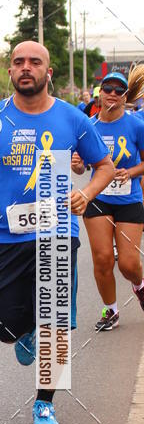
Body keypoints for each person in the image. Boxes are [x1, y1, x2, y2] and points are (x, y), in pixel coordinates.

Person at [0, 41, 114, 424]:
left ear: (48, 72)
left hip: (57, 231)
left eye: (35, 62)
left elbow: (104, 166)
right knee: (4, 326)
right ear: (10, 71)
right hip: (5, 233)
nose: (26, 67)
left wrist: (86, 194)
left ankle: (45, 402)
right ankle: (23, 331)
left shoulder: (72, 118)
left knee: (55, 323)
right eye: (18, 62)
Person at [73, 68, 144, 330]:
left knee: (127, 264)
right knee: (102, 259)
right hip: (99, 197)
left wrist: (131, 172)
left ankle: (139, 285)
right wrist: (77, 166)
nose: (112, 93)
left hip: (129, 199)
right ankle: (111, 310)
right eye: (108, 89)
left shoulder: (137, 126)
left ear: (125, 96)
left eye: (118, 90)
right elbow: (81, 168)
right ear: (100, 94)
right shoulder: (88, 127)